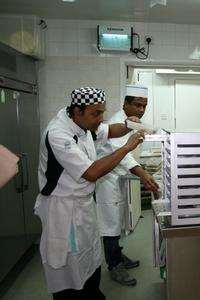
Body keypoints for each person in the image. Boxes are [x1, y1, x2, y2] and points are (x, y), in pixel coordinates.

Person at [34, 87, 146, 299]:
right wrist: (126, 148)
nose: (100, 119)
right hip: (63, 209)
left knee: (90, 256)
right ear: (77, 111)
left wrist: (128, 124)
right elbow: (91, 172)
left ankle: (92, 292)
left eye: (102, 112)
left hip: (82, 205)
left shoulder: (83, 124)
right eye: (96, 113)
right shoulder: (59, 134)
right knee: (68, 263)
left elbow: (110, 131)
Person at [96, 85, 159, 286]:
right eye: (137, 105)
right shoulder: (116, 121)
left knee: (119, 219)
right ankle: (114, 265)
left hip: (118, 178)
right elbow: (121, 154)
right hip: (107, 179)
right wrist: (142, 173)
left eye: (144, 106)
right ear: (125, 104)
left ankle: (118, 256)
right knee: (110, 223)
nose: (141, 109)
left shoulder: (133, 122)